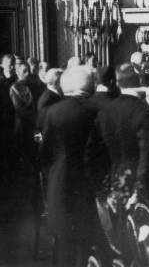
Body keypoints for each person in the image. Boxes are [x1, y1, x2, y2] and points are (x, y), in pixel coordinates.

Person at [85, 63, 149, 211]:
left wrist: (102, 192)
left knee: (119, 232)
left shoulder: (105, 113)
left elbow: (91, 155)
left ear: (117, 83)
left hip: (115, 187)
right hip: (146, 190)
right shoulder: (147, 114)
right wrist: (139, 191)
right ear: (139, 81)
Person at [40, 67, 102, 266]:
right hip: (87, 183)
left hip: (59, 182)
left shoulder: (52, 111)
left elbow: (45, 152)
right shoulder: (94, 111)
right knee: (87, 239)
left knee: (64, 240)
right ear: (87, 87)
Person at [36, 68, 63, 133]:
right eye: (62, 80)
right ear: (56, 83)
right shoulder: (47, 99)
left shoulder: (56, 94)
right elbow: (44, 123)